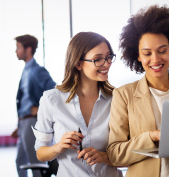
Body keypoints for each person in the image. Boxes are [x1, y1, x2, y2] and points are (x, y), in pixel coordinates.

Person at [106, 5, 169, 177]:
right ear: (138, 56)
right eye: (147, 53)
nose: (155, 59)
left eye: (162, 51)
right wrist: (152, 137)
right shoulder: (124, 95)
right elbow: (115, 154)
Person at [32, 32, 123, 177]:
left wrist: (104, 156)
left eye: (109, 57)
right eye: (98, 59)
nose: (106, 64)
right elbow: (41, 153)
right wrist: (59, 147)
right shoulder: (51, 100)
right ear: (78, 63)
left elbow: (130, 154)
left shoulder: (117, 99)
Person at [13, 34, 56, 177]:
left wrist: (40, 109)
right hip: (24, 122)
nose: (16, 51)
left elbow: (54, 91)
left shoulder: (37, 70)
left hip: (32, 122)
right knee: (20, 161)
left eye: (18, 47)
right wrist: (19, 125)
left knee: (36, 163)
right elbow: (24, 100)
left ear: (28, 49)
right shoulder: (26, 70)